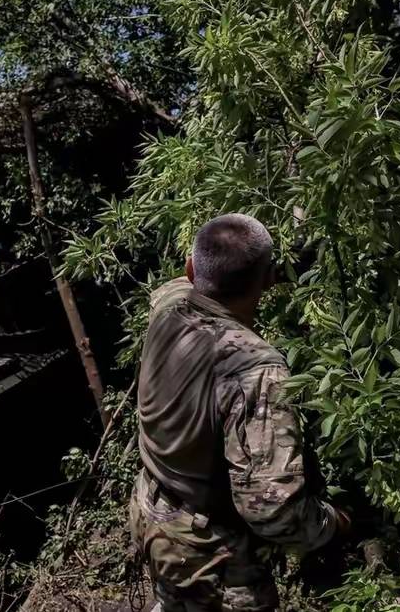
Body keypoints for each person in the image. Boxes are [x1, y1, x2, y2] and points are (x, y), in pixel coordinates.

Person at [128, 213, 348, 612]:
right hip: (211, 556)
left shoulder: (168, 305)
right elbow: (270, 509)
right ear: (264, 281)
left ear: (191, 268)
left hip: (154, 513)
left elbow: (187, 281)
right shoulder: (256, 369)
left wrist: (262, 272)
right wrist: (332, 523)